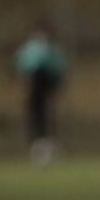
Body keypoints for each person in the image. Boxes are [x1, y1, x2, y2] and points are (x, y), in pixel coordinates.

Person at [12, 24, 67, 164]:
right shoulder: (34, 49)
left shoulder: (49, 50)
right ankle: (40, 143)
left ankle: (46, 142)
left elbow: (57, 68)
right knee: (37, 112)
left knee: (44, 113)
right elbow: (23, 67)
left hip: (44, 81)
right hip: (37, 82)